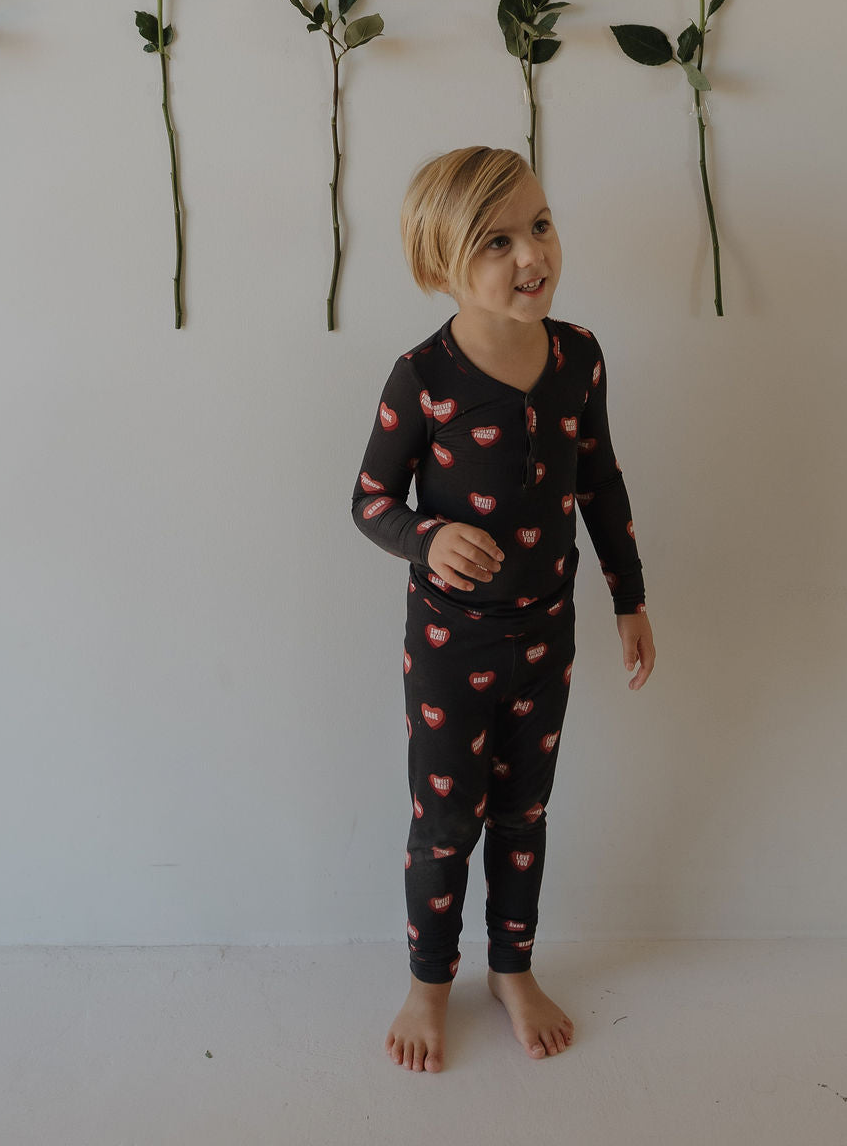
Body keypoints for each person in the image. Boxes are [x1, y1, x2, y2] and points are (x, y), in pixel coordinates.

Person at [352, 146, 655, 1073]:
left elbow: (600, 482)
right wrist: (426, 538)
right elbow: (369, 501)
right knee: (446, 822)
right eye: (497, 241)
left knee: (525, 814)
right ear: (441, 264)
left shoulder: (580, 358)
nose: (533, 255)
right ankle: (428, 984)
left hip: (547, 636)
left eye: (541, 224)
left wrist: (629, 598)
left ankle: (511, 968)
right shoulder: (422, 377)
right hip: (450, 645)